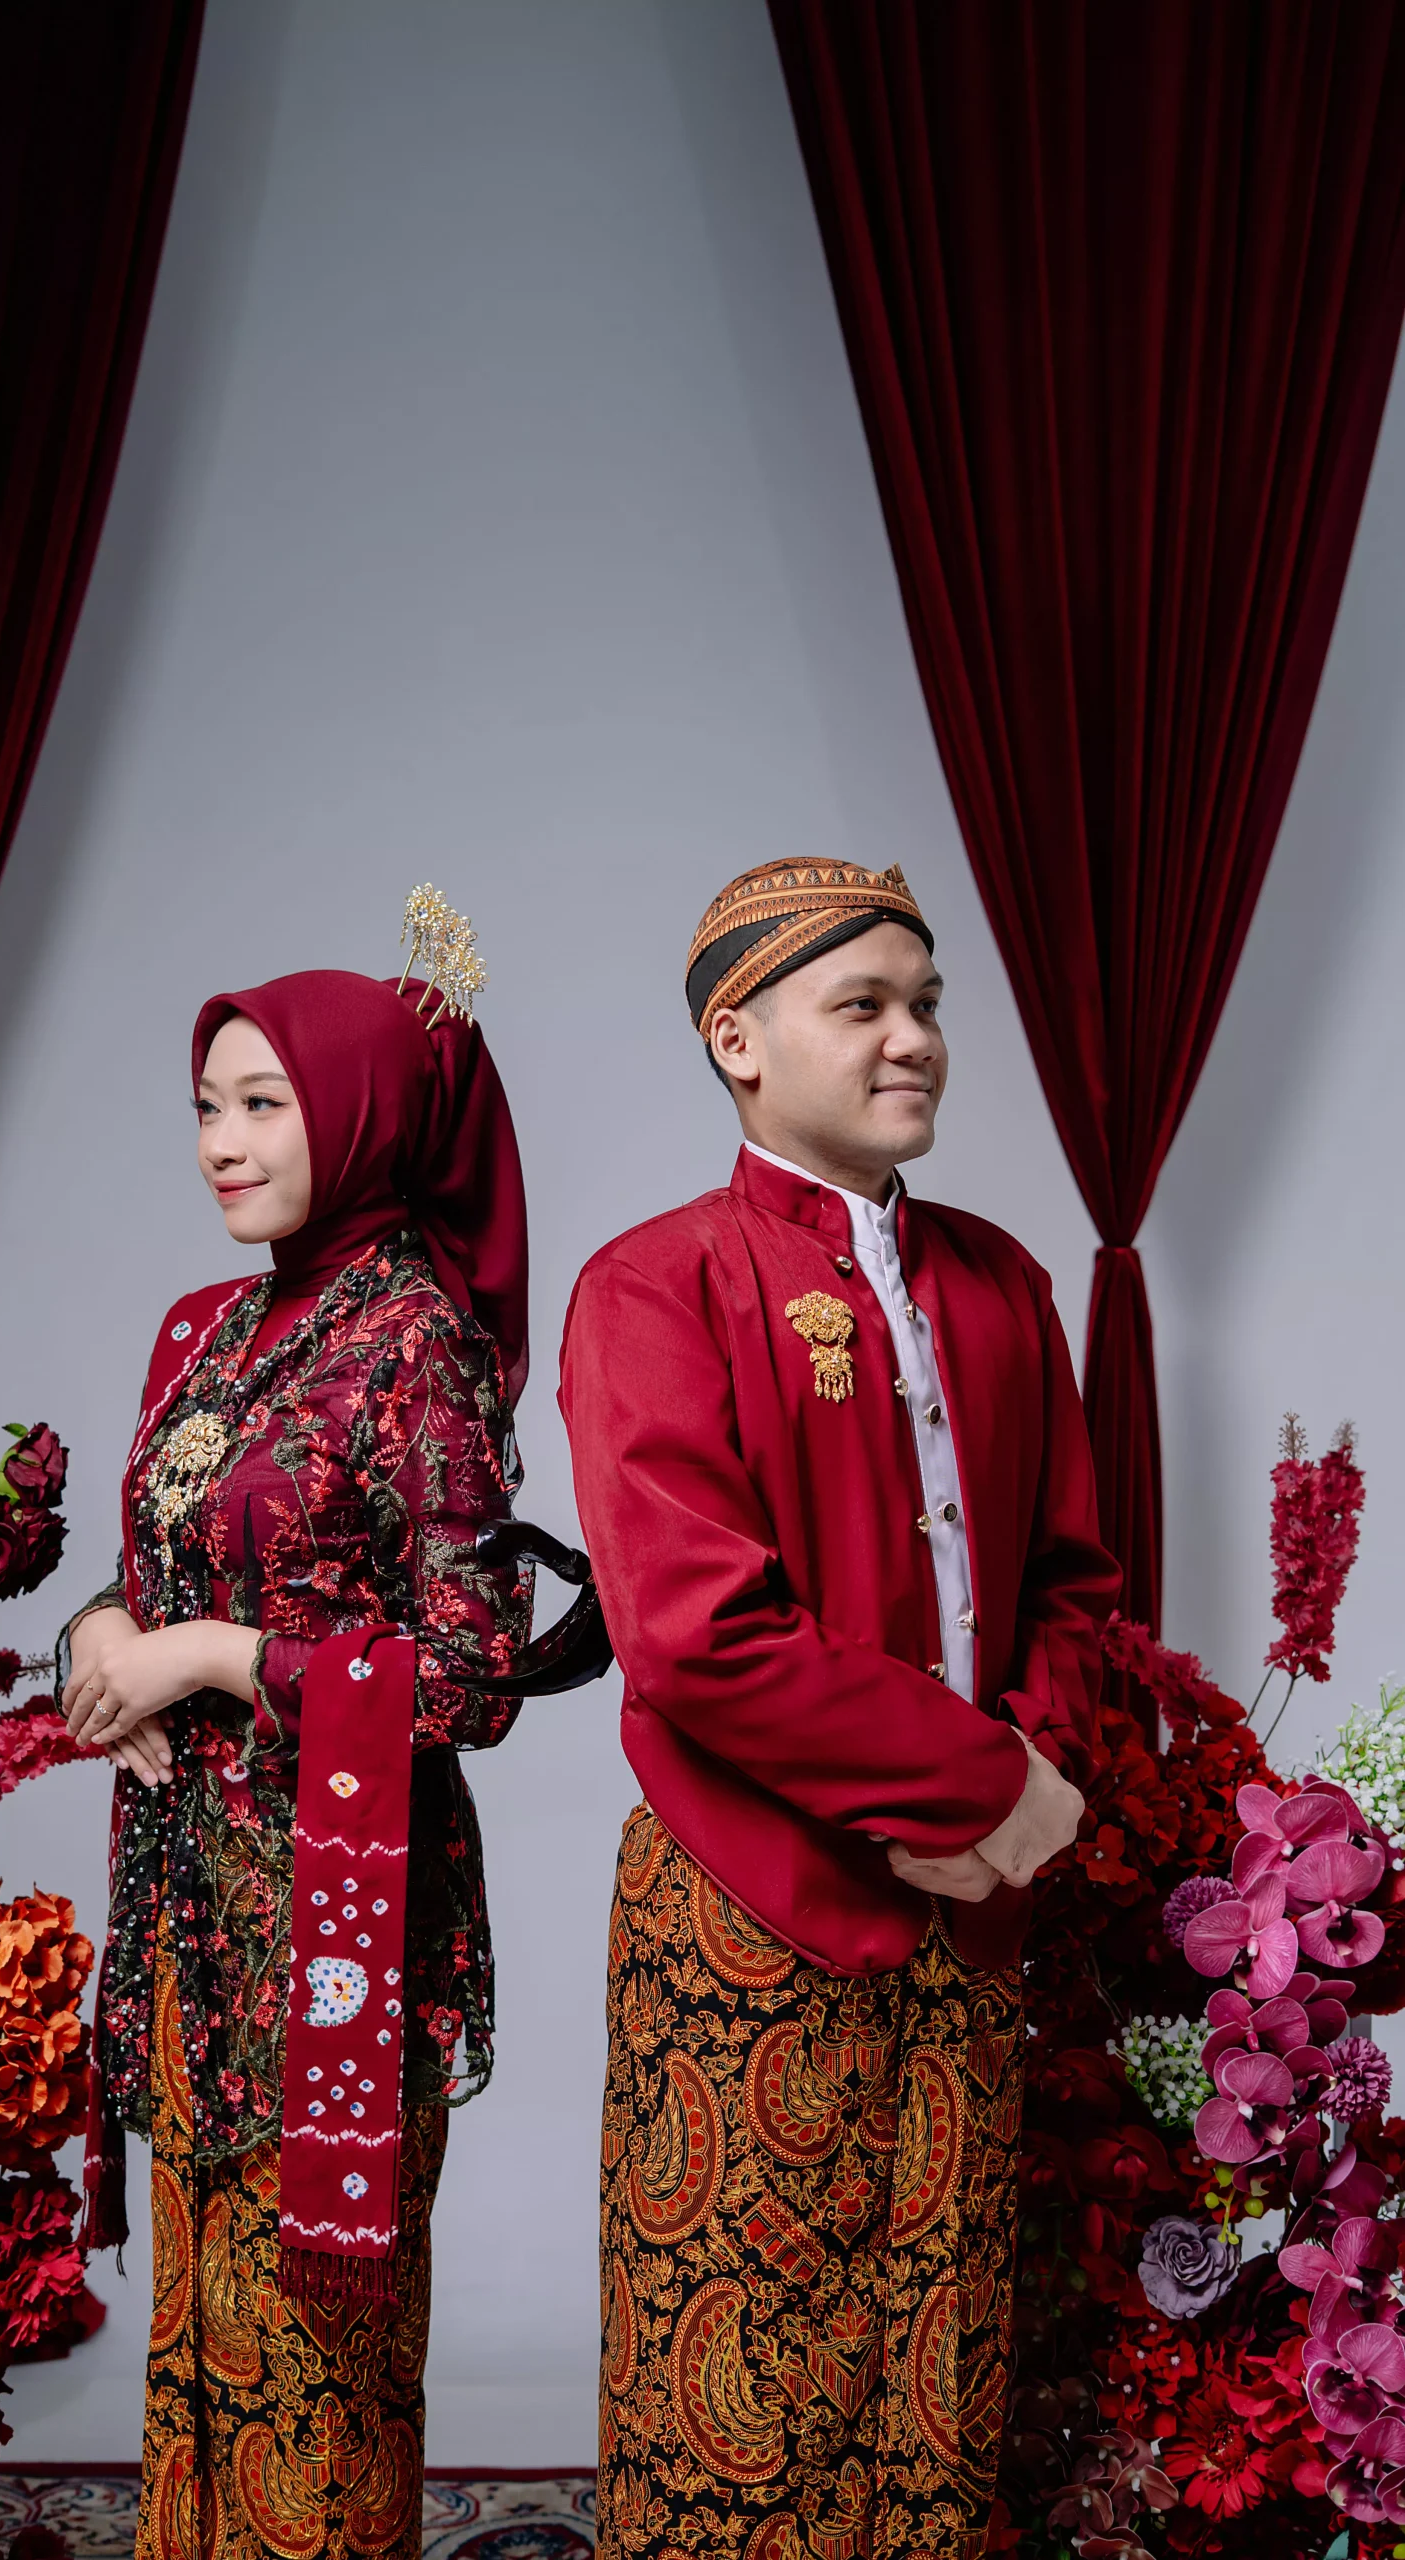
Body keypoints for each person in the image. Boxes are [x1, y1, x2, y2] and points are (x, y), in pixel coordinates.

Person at [558, 859, 1119, 2560]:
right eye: (860, 1004)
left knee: (934, 2379)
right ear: (736, 1039)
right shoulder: (653, 1285)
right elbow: (695, 1636)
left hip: (971, 1923)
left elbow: (1074, 1584)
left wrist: (1028, 1779)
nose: (913, 1039)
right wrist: (976, 1792)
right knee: (734, 2405)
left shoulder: (1001, 1283)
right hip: (751, 1915)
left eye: (926, 1003)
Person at [61, 947, 533, 2560]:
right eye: (207, 1105)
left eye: (263, 1103)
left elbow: (473, 1673)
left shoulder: (416, 1344)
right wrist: (100, 1646)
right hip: (189, 1908)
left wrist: (210, 1659)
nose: (221, 1142)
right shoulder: (207, 1326)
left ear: (362, 1109)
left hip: (339, 1919)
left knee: (314, 2370)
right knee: (201, 2339)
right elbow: (157, 1563)